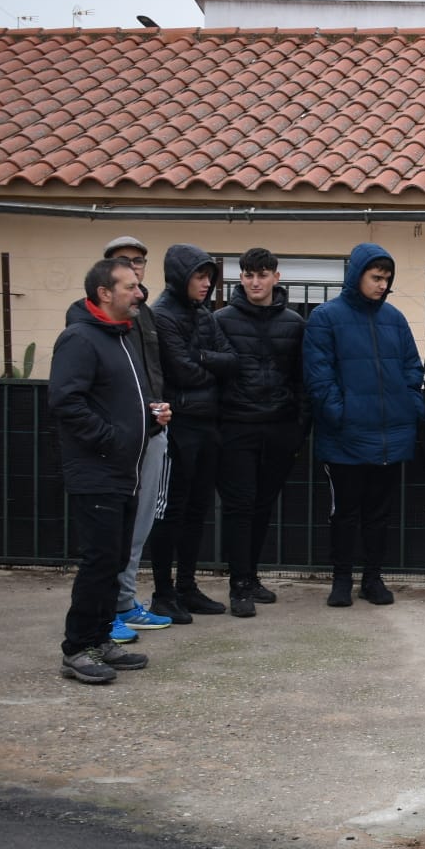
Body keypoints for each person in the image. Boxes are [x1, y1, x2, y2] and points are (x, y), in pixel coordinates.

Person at [48, 258, 170, 682]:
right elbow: (66, 402)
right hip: (97, 471)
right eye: (132, 287)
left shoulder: (121, 337)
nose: (141, 294)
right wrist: (112, 438)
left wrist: (152, 418)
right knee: (100, 561)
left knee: (114, 559)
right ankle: (78, 648)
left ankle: (100, 640)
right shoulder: (80, 339)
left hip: (124, 471)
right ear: (104, 292)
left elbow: (119, 402)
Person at [304, 243, 425, 607]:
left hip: (391, 435)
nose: (382, 285)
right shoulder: (325, 317)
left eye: (387, 278)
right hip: (345, 437)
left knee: (379, 513)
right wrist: (342, 415)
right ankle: (341, 580)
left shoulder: (395, 318)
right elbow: (318, 378)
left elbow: (411, 368)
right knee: (345, 513)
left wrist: (410, 406)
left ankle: (372, 578)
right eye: (376, 277)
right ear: (356, 276)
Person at [214, 248, 310, 618]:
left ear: (276, 277)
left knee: (263, 506)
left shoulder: (294, 323)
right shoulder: (220, 320)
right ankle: (238, 585)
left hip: (280, 428)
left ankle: (251, 577)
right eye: (249, 275)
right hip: (237, 427)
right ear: (241, 278)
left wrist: (298, 428)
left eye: (263, 274)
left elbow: (302, 381)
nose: (255, 282)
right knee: (240, 507)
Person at [148, 244, 239, 621]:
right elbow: (180, 371)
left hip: (207, 424)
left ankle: (187, 587)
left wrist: (201, 360)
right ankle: (163, 593)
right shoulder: (161, 315)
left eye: (209, 277)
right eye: (199, 277)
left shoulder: (205, 314)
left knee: (198, 510)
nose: (206, 284)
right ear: (180, 277)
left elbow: (232, 361)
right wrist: (208, 366)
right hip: (178, 425)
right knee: (171, 511)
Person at [98, 236, 175, 640]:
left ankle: (124, 602)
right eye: (124, 262)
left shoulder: (144, 314)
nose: (134, 268)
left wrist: (158, 408)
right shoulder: (92, 321)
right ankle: (105, 609)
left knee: (141, 523)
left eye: (139, 261)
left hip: (152, 429)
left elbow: (151, 371)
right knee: (112, 530)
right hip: (115, 441)